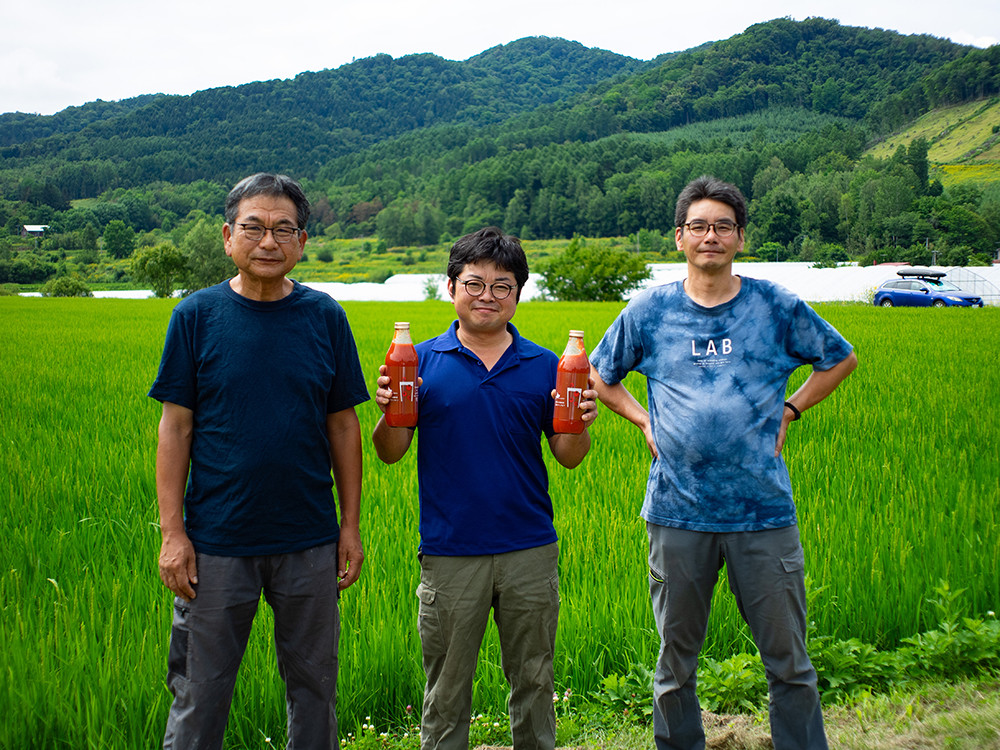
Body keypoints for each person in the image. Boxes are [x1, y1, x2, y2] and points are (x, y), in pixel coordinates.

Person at [589, 175, 857, 750]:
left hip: (762, 511)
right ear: (679, 237)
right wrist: (641, 418)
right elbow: (598, 373)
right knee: (674, 662)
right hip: (677, 511)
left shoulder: (775, 306)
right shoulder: (649, 310)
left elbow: (839, 358)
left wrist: (792, 406)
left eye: (724, 226)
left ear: (740, 238)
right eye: (699, 226)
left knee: (789, 660)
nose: (711, 235)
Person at [148, 172, 369, 749]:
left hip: (308, 539)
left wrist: (350, 527)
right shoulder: (196, 317)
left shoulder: (325, 317)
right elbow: (176, 428)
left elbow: (344, 425)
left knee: (315, 689)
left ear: (302, 243)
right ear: (228, 236)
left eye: (283, 229)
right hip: (216, 544)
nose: (268, 241)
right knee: (200, 691)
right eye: (254, 227)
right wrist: (173, 534)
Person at [371, 227, 597, 750]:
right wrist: (389, 415)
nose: (487, 296)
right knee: (447, 689)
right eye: (474, 283)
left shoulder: (547, 367)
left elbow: (568, 458)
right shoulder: (420, 362)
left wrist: (579, 422)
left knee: (535, 679)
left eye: (502, 286)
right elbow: (390, 451)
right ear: (450, 287)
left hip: (529, 548)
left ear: (518, 294)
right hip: (451, 551)